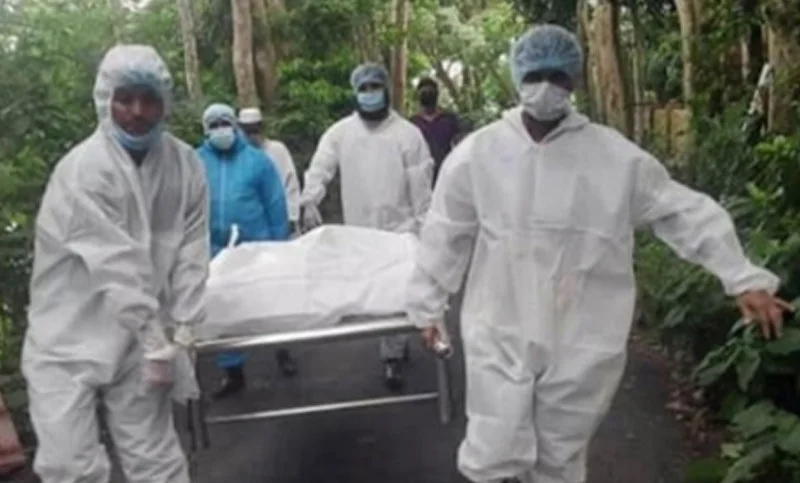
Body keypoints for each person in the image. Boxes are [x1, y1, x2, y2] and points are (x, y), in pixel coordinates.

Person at [406, 24, 792, 483]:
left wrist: (741, 276)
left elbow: (682, 211)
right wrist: (428, 303)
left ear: (574, 79)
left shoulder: (614, 157)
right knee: (493, 447)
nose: (546, 86)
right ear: (518, 78)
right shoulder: (480, 153)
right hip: (500, 326)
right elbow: (446, 230)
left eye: (557, 75)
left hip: (584, 333)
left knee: (560, 457)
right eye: (535, 75)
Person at [22, 44, 207, 483]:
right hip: (67, 340)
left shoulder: (184, 165)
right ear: (105, 100)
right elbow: (115, 265)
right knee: (70, 467)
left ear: (165, 102)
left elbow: (192, 247)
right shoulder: (84, 170)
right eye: (125, 99)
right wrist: (155, 338)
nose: (137, 112)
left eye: (149, 99)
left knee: (156, 459)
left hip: (138, 341)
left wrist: (184, 328)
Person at [300, 62, 434, 391]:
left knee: (397, 290)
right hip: (359, 230)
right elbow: (321, 167)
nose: (369, 93)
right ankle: (391, 346)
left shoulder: (407, 134)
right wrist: (309, 199)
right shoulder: (340, 133)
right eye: (364, 88)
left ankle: (393, 355)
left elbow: (421, 186)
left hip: (400, 229)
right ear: (355, 92)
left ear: (386, 90)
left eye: (375, 87)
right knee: (373, 292)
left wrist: (425, 227)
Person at [196, 103, 293, 399]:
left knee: (270, 302)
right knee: (224, 308)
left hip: (256, 246)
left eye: (225, 123)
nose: (220, 130)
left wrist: (278, 244)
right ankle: (232, 371)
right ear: (205, 130)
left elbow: (275, 203)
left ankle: (284, 350)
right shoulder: (195, 162)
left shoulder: (257, 161)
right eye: (214, 125)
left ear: (235, 125)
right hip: (215, 249)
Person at [238, 106, 301, 235]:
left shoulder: (277, 150)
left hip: (280, 220)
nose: (252, 136)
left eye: (255, 130)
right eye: (248, 131)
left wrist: (292, 216)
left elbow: (291, 185)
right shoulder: (237, 156)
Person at [410, 77, 469, 185]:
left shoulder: (450, 119)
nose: (427, 94)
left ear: (437, 94)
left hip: (446, 174)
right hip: (422, 178)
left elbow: (461, 144)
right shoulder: (413, 123)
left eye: (430, 92)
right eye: (424, 92)